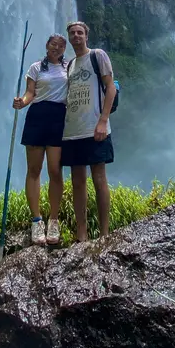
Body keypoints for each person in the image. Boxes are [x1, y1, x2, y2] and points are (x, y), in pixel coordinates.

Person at [62, 20, 117, 241]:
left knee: (99, 179)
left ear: (86, 35)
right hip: (72, 131)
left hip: (95, 128)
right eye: (72, 33)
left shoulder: (98, 55)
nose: (76, 36)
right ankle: (82, 234)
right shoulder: (69, 65)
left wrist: (103, 120)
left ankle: (104, 233)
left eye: (80, 32)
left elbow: (110, 88)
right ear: (69, 38)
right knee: (77, 182)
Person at [13, 34, 67, 245]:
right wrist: (21, 102)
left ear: (64, 49)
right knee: (34, 170)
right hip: (37, 116)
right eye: (53, 44)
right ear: (47, 46)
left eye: (61, 46)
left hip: (58, 118)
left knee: (55, 170)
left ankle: (53, 220)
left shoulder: (68, 68)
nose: (56, 48)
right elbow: (30, 93)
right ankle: (37, 221)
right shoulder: (36, 67)